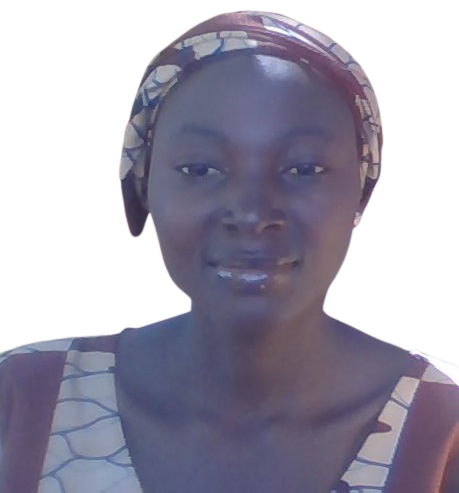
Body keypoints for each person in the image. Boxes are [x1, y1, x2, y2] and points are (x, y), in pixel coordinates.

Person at [1, 10, 458, 493]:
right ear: (144, 183)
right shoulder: (23, 399)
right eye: (201, 169)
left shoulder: (444, 421)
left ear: (362, 189)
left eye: (304, 168)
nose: (252, 212)